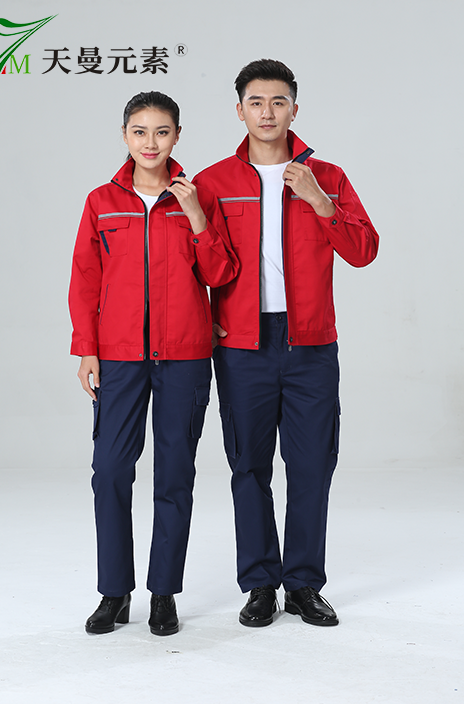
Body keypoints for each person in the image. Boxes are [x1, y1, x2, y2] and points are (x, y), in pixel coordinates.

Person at [194, 59, 379, 628]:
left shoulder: (328, 176)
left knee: (311, 465)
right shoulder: (214, 182)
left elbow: (364, 250)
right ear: (240, 110)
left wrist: (320, 200)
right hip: (242, 345)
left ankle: (302, 584)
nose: (267, 112)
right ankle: (259, 584)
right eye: (256, 102)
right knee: (248, 466)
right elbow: (195, 263)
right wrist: (207, 322)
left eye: (278, 101)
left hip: (310, 345)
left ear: (295, 109)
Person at [69, 91, 239, 636]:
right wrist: (87, 347)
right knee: (110, 472)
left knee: (175, 475)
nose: (150, 143)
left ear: (177, 136)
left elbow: (220, 273)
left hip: (185, 356)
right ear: (124, 135)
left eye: (162, 132)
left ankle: (163, 592)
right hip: (119, 357)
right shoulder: (101, 201)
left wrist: (196, 217)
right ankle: (114, 592)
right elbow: (85, 279)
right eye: (140, 132)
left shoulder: (198, 197)